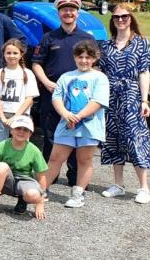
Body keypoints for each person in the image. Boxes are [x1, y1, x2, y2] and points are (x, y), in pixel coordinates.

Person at [98, 5, 150, 204]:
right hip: (110, 97)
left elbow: (144, 73)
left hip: (131, 96)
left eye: (124, 16)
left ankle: (144, 188)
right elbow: (99, 72)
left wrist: (144, 100)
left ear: (131, 18)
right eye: (116, 17)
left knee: (135, 139)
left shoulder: (142, 43)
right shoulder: (106, 45)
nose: (120, 20)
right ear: (112, 20)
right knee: (113, 139)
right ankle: (118, 184)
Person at [32, 0, 94, 186]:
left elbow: (95, 66)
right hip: (52, 96)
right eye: (64, 9)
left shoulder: (87, 38)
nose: (68, 13)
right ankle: (49, 178)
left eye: (72, 9)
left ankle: (75, 179)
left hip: (78, 98)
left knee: (77, 137)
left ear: (78, 12)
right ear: (59, 13)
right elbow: (36, 63)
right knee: (51, 137)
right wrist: (47, 82)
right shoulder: (48, 37)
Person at [44, 39, 110, 208]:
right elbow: (57, 97)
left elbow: (98, 101)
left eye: (88, 57)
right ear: (74, 57)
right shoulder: (66, 77)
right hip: (66, 125)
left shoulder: (99, 78)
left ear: (95, 58)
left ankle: (78, 193)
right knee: (55, 158)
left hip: (89, 126)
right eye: (80, 57)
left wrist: (79, 116)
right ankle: (42, 189)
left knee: (84, 160)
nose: (84, 60)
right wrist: (66, 114)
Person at [0, 115, 48, 222]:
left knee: (33, 194)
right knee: (1, 166)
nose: (21, 132)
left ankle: (22, 200)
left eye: (25, 129)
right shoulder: (1, 146)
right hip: (4, 180)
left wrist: (40, 202)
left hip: (24, 181)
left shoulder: (34, 151)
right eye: (18, 128)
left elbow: (41, 176)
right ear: (11, 130)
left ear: (30, 134)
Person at [0, 39, 38, 153]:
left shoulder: (28, 73)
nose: (12, 56)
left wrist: (16, 116)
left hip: (21, 115)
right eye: (8, 53)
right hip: (2, 116)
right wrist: (2, 117)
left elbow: (29, 98)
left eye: (15, 53)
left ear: (21, 54)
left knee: (20, 148)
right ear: (4, 54)